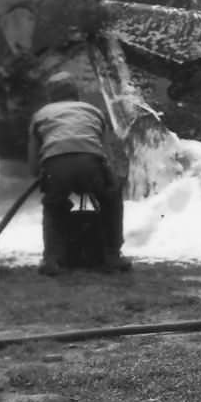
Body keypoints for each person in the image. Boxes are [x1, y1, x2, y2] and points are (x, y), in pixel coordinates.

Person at [27, 73, 129, 275]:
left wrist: (41, 176)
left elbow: (33, 162)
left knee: (53, 208)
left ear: (50, 95)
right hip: (90, 163)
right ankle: (112, 255)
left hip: (55, 165)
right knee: (110, 201)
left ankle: (51, 259)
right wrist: (110, 183)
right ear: (77, 94)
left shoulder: (41, 115)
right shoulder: (93, 111)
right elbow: (106, 153)